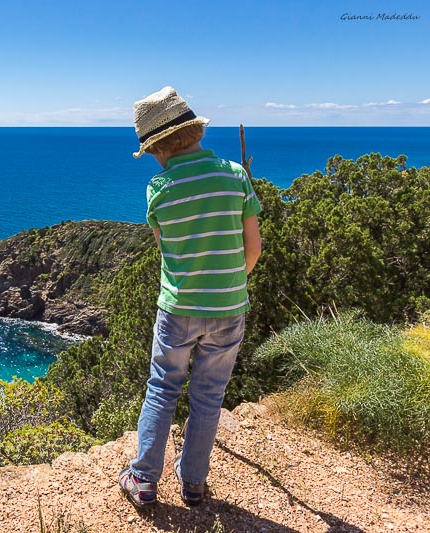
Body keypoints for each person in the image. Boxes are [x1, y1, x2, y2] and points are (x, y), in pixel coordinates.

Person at [118, 86, 262, 508]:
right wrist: (229, 285)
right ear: (196, 131)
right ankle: (194, 481)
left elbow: (169, 253)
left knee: (163, 388)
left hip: (178, 308)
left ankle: (144, 480)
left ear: (157, 148)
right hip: (230, 307)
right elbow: (252, 248)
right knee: (209, 395)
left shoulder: (159, 188)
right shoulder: (236, 175)